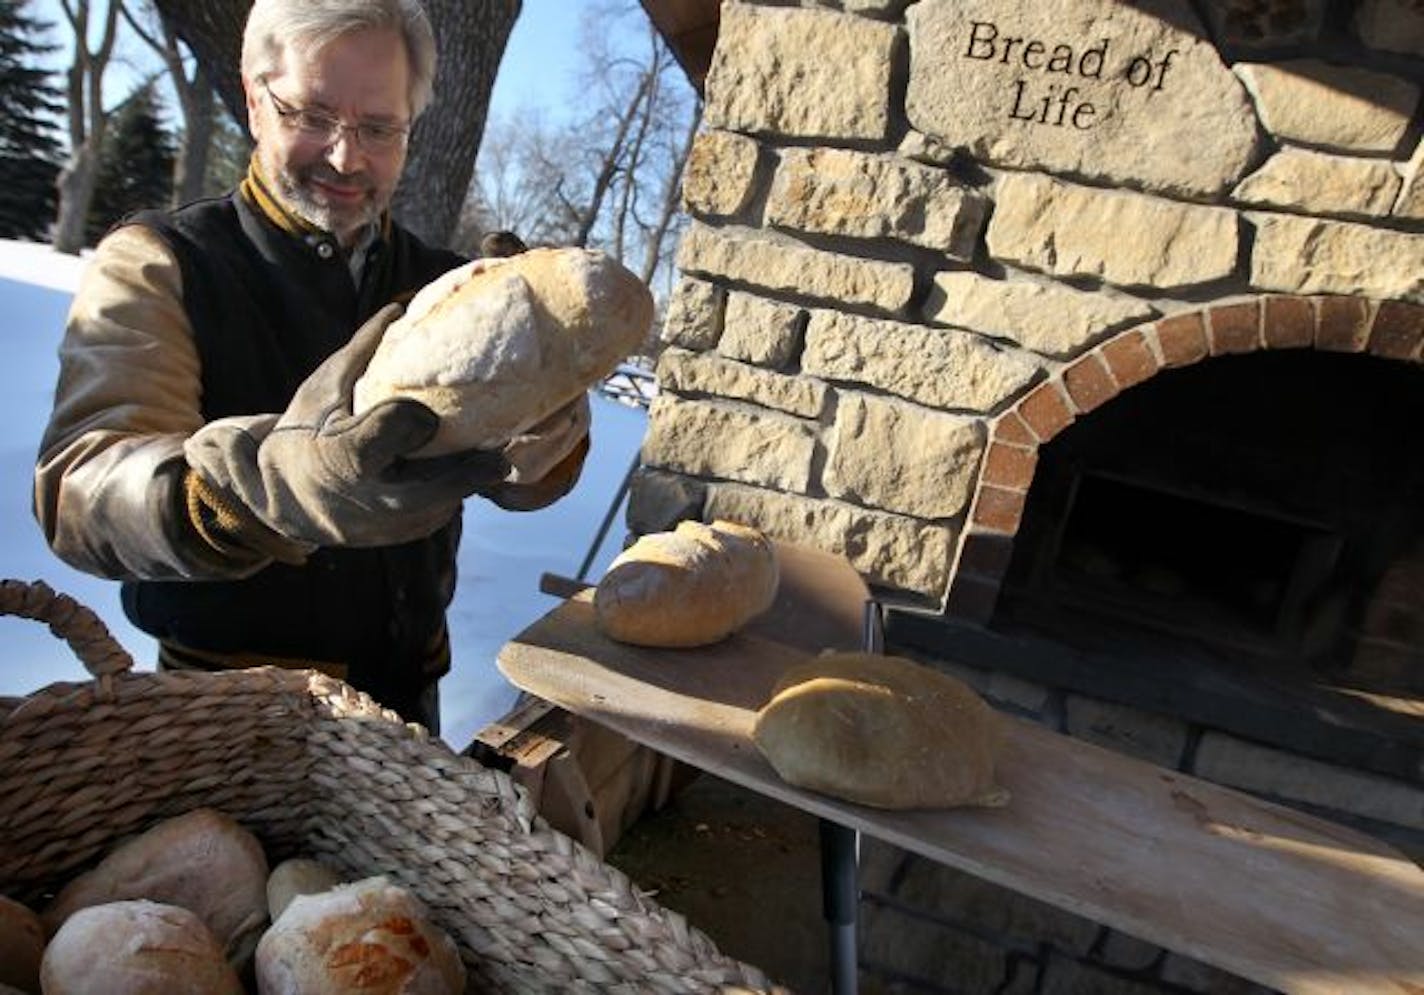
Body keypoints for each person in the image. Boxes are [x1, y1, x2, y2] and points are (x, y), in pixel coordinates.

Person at [32, 0, 589, 734]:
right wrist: (264, 495)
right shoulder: (164, 263)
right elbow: (83, 490)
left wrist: (543, 437)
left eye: (379, 128)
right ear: (256, 96)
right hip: (223, 710)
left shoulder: (448, 288)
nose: (345, 156)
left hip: (408, 703)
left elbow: (516, 479)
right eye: (312, 114)